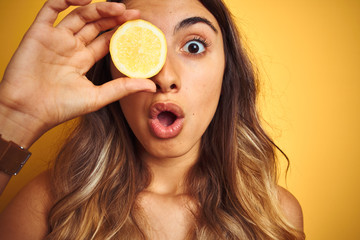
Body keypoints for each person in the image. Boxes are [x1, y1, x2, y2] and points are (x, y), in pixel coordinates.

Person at [0, 0, 305, 239]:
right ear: (110, 70)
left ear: (228, 72)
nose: (165, 76)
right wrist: (15, 116)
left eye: (194, 46)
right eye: (140, 48)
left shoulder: (275, 217)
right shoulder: (48, 205)